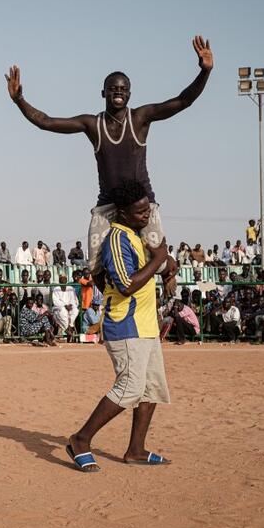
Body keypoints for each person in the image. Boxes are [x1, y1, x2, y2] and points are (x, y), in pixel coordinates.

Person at [7, 40, 212, 296]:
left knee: (156, 254)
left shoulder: (140, 118)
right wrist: (20, 100)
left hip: (140, 202)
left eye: (123, 89)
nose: (118, 92)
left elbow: (183, 101)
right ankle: (112, 304)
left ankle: (169, 266)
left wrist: (205, 71)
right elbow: (46, 122)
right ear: (103, 93)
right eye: (112, 88)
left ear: (129, 94)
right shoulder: (93, 124)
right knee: (94, 267)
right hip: (108, 204)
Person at [66, 180, 171, 472]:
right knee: (129, 388)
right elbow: (126, 285)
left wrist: (164, 261)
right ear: (122, 213)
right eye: (139, 212)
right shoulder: (117, 239)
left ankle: (135, 449)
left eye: (147, 210)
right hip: (125, 325)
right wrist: (160, 258)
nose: (145, 216)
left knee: (151, 390)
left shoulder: (137, 237)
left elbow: (154, 268)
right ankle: (80, 439)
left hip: (146, 326)